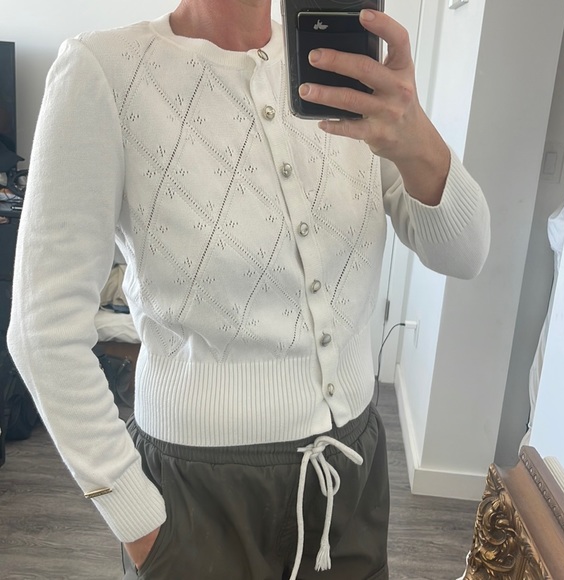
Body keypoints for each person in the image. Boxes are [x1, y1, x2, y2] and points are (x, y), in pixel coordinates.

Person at [8, 1, 490, 579]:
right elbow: (42, 329)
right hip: (197, 498)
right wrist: (142, 527)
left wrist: (416, 138)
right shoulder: (103, 71)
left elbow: (464, 254)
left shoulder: (341, 70)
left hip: (351, 473)